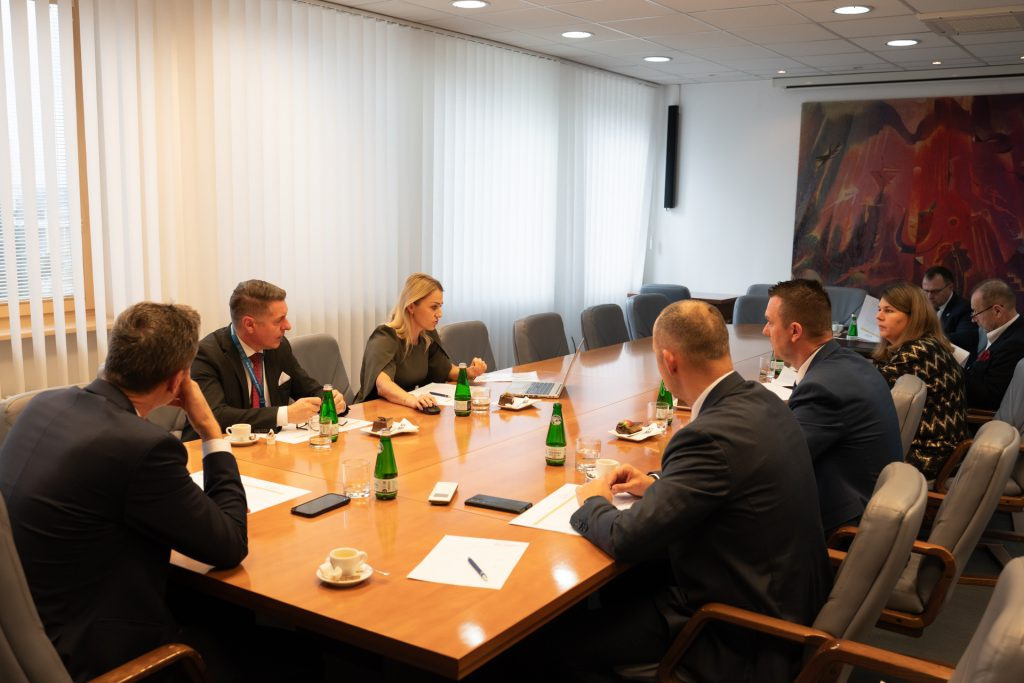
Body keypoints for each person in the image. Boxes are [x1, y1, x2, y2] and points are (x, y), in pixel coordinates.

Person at [568, 300, 831, 682]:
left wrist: (592, 500)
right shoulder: (764, 401)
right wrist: (659, 484)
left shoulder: (706, 436)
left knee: (549, 645)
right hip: (785, 602)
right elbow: (729, 478)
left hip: (737, 633)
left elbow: (626, 539)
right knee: (619, 593)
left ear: (669, 361)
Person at [0, 302, 247, 681]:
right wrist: (211, 431)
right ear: (177, 381)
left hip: (36, 638)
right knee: (293, 655)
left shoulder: (42, 406)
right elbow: (229, 545)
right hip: (99, 655)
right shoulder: (141, 446)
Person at [764, 279, 902, 534]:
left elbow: (777, 463)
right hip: (868, 498)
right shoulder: (851, 362)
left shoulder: (822, 389)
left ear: (795, 331)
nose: (765, 331)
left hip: (842, 527)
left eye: (770, 322)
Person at [187, 279, 345, 439]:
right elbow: (215, 416)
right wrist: (285, 415)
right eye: (279, 320)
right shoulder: (207, 354)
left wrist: (331, 400)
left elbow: (308, 389)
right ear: (249, 325)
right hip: (215, 447)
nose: (288, 326)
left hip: (271, 445)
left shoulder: (279, 347)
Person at [873, 283, 968, 478]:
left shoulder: (918, 351)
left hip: (932, 454)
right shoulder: (924, 344)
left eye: (888, 311)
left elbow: (868, 391)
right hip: (930, 446)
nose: (878, 316)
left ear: (913, 316)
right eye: (879, 309)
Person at [356, 272, 486, 406]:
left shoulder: (427, 335)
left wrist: (469, 372)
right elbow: (383, 385)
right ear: (411, 306)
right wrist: (412, 400)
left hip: (405, 409)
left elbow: (446, 370)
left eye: (440, 306)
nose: (439, 314)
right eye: (434, 307)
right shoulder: (385, 336)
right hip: (374, 412)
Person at [965, 279, 1024, 411]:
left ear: (997, 311)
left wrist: (954, 368)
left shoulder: (1015, 344)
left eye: (976, 312)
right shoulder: (1007, 331)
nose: (973, 319)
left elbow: (990, 398)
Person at [922, 265, 977, 351]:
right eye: (926, 291)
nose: (929, 296)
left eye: (935, 291)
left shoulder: (964, 308)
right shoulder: (922, 307)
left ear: (950, 287)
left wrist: (928, 340)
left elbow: (966, 338)